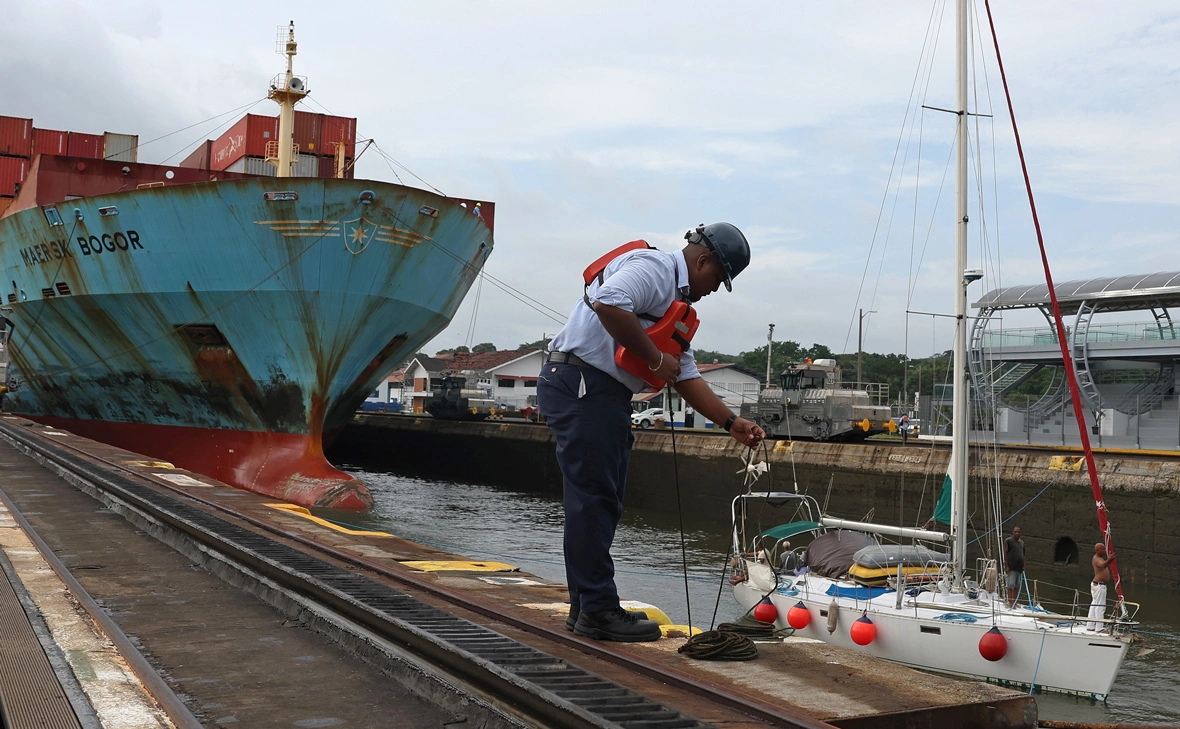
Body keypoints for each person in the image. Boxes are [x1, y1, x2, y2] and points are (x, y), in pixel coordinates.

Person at [539, 222, 766, 642]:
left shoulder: (677, 307)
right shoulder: (656, 268)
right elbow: (607, 300)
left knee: (598, 501)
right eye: (719, 278)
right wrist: (654, 356)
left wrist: (732, 423)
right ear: (702, 260)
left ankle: (585, 607)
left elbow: (684, 375)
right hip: (582, 385)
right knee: (593, 502)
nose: (715, 289)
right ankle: (598, 610)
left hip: (601, 394)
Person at [1087, 542, 1115, 632]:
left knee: (1094, 605)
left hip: (1098, 585)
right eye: (1102, 549)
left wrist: (1108, 559)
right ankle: (1099, 628)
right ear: (1097, 550)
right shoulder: (1096, 559)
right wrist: (1110, 559)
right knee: (1100, 606)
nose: (1104, 550)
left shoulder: (1100, 558)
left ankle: (1090, 625)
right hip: (1099, 586)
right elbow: (1102, 566)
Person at [1004, 526, 1024, 607]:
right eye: (1015, 532)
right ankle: (1010, 603)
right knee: (1011, 585)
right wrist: (1007, 566)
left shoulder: (1022, 543)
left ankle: (1015, 602)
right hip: (1011, 566)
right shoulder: (1008, 541)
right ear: (1013, 532)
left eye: (1018, 532)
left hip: (1019, 567)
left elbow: (1023, 555)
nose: (1017, 533)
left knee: (1017, 585)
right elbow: (1005, 553)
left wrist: (1024, 566)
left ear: (1020, 533)